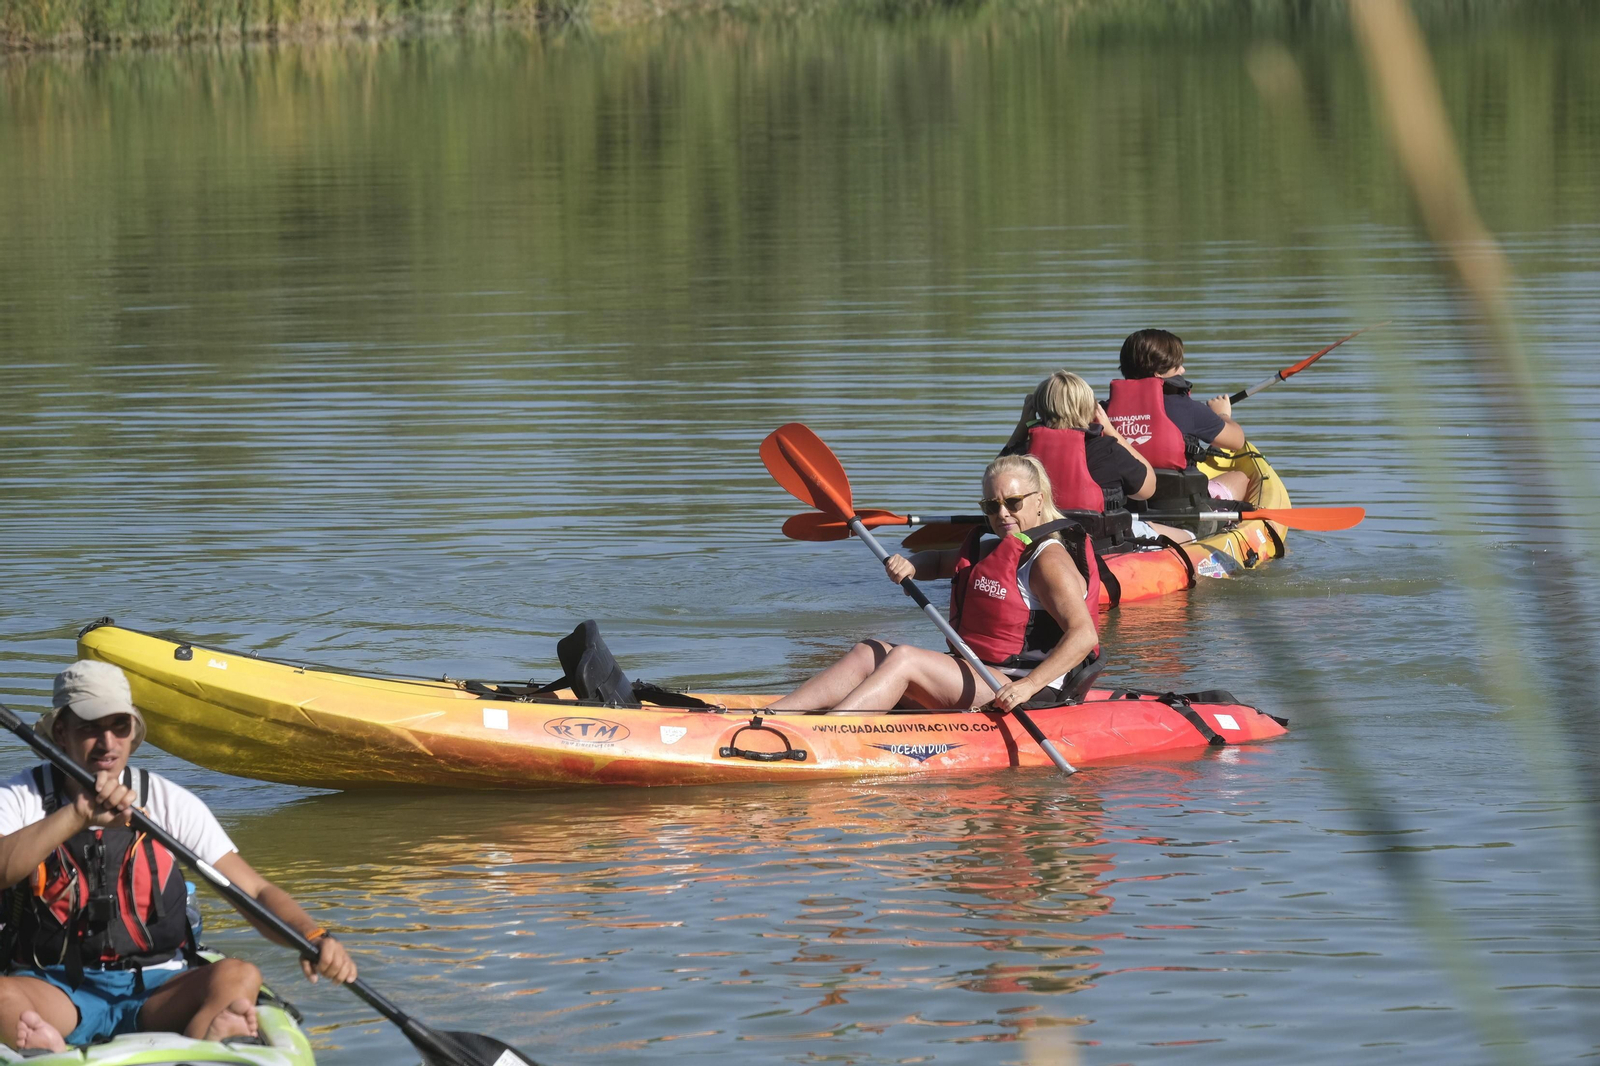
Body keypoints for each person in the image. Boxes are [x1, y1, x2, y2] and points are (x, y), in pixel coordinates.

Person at [0, 660, 358, 1053]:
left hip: (157, 989)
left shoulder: (169, 802)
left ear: (133, 732)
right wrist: (78, 814)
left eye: (119, 726)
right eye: (90, 727)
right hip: (54, 989)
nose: (107, 743)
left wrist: (311, 934)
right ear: (60, 733)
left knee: (240, 975)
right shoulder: (21, 798)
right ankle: (49, 1051)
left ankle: (204, 1044)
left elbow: (253, 890)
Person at [768, 455, 1100, 713]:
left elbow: (1083, 635)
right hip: (982, 673)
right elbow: (940, 561)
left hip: (1022, 685)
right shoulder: (994, 548)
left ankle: (827, 734)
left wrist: (1028, 685)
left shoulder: (1049, 560)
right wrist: (910, 564)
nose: (1002, 514)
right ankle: (771, 714)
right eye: (991, 506)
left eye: (1013, 503)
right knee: (869, 651)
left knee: (906, 658)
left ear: (1039, 500)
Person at [999, 369, 1191, 543]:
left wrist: (1023, 425)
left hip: (1042, 542)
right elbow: (1147, 489)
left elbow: (997, 479)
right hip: (1102, 544)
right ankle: (1193, 537)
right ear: (1090, 409)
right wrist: (1112, 432)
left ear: (1037, 409)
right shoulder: (1107, 449)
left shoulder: (1021, 454)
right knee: (1187, 536)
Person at [1104, 328, 1250, 503]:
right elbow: (1237, 441)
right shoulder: (1187, 408)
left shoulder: (1103, 412)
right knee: (1240, 478)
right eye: (1177, 365)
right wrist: (1222, 413)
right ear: (1159, 373)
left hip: (1124, 508)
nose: (1183, 370)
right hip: (1179, 508)